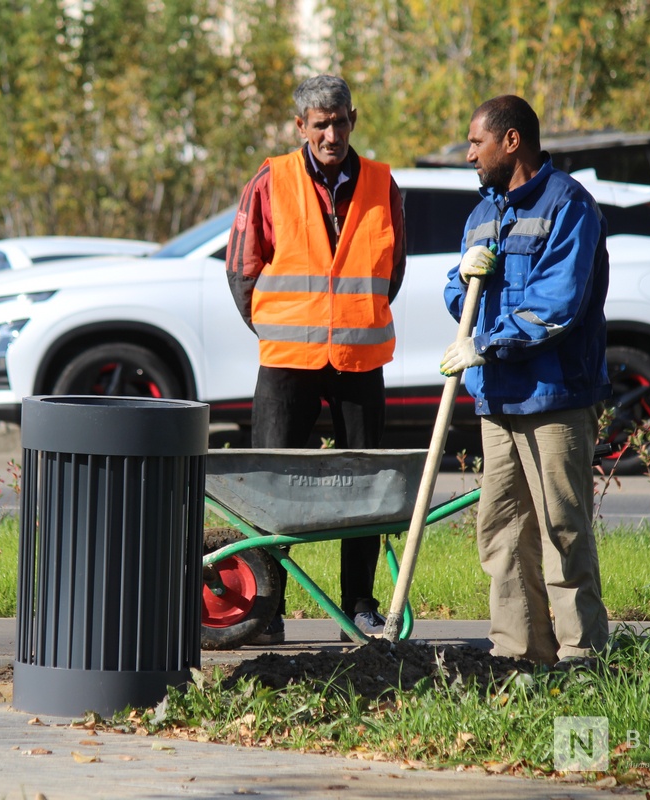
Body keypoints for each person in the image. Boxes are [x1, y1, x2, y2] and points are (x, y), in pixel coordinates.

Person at [225, 74, 406, 645]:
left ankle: (361, 605)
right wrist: (280, 329)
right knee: (271, 487)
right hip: (287, 361)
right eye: (320, 124)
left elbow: (392, 269)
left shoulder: (382, 181)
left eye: (340, 121)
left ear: (354, 119)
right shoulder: (270, 178)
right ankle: (266, 611)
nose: (332, 133)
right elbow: (242, 268)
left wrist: (350, 318)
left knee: (368, 488)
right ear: (300, 126)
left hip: (359, 357)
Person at [440, 95, 610, 667]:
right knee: (502, 533)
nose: (469, 154)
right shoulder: (482, 213)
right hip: (498, 399)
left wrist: (482, 345)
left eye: (475, 142)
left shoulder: (570, 207)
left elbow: (554, 308)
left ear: (510, 141)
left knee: (562, 528)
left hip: (555, 396)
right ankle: (518, 657)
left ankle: (581, 659)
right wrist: (461, 283)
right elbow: (456, 290)